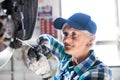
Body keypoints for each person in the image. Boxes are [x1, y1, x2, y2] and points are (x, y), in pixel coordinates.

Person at [28, 12, 112, 80]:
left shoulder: (100, 72)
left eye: (74, 34)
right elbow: (46, 37)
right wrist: (44, 47)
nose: (65, 40)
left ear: (90, 40)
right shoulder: (66, 58)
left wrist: (47, 76)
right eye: (65, 34)